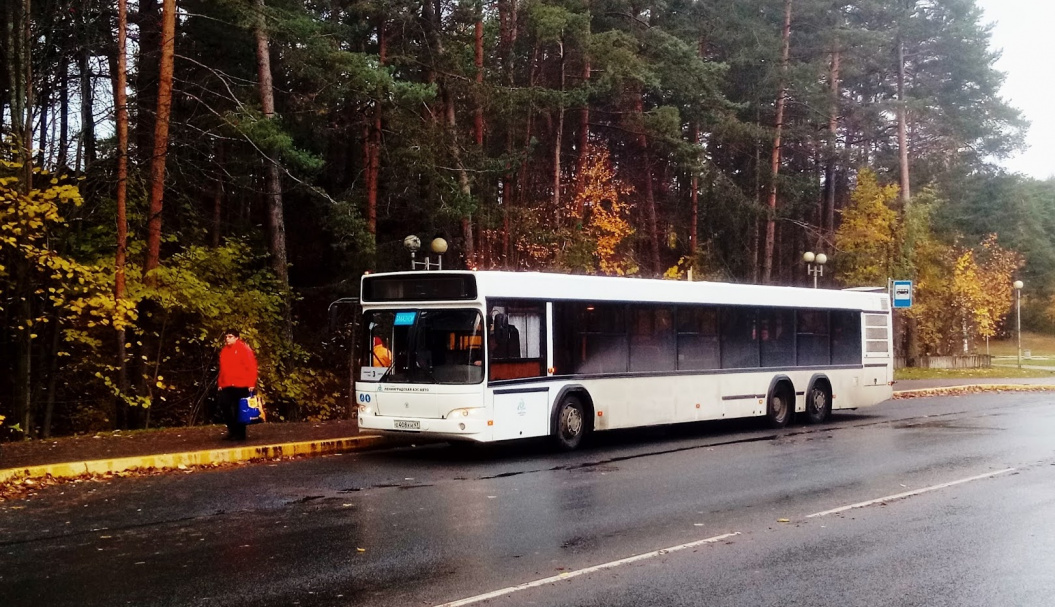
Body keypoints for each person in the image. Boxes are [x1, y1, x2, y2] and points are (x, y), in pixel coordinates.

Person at [217, 329, 258, 440]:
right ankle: (232, 430)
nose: (227, 339)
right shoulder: (225, 351)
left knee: (239, 409)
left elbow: (251, 366)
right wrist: (220, 382)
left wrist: (251, 383)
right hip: (228, 383)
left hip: (242, 383)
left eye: (230, 336)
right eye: (226, 337)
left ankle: (240, 433)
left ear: (236, 338)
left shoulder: (244, 349)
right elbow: (223, 368)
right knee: (224, 405)